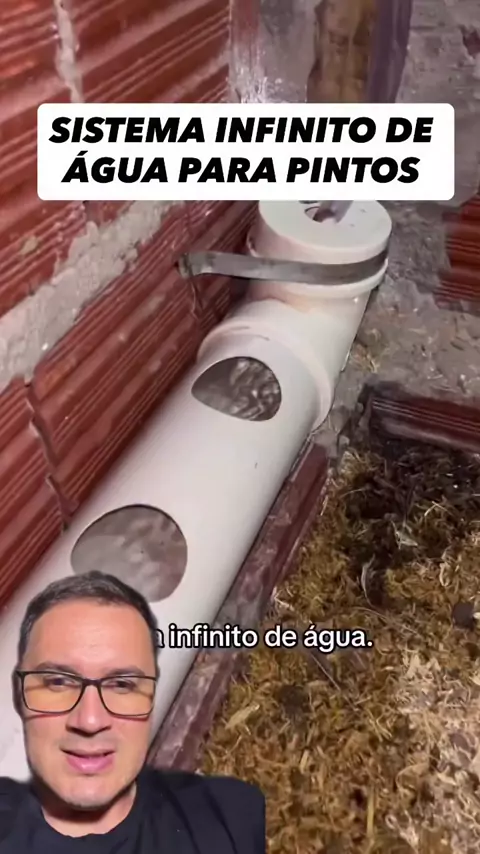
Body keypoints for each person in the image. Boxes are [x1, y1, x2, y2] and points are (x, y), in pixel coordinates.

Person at [0, 570, 266, 852]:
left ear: (151, 697)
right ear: (19, 693)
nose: (90, 720)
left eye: (121, 684)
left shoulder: (228, 819)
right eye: (58, 682)